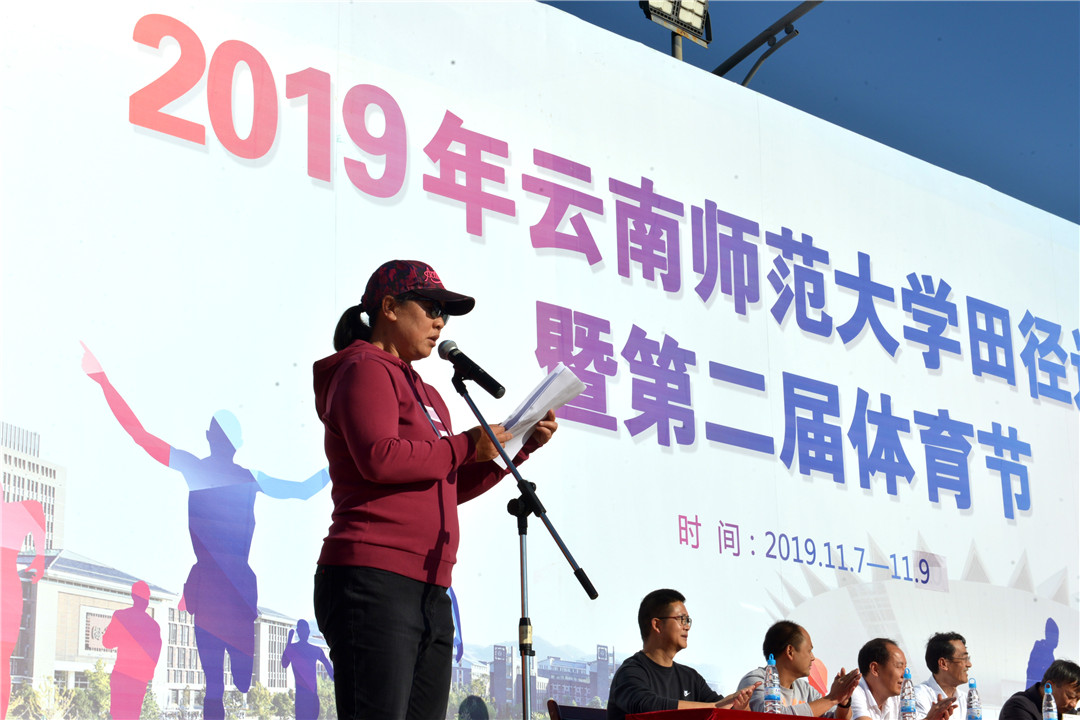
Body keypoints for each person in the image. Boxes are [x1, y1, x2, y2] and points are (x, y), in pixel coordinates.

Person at [311, 259, 558, 720]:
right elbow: (380, 457)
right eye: (431, 308)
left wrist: (519, 449)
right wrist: (465, 445)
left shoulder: (429, 393)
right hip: (374, 576)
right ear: (389, 307)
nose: (440, 321)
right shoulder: (364, 367)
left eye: (445, 313)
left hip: (430, 585)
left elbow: (445, 484)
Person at [82, 343, 330, 720]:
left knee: (221, 684)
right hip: (232, 588)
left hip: (212, 588)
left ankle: (232, 680)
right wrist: (342, 457)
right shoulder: (248, 478)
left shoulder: (196, 469)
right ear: (236, 445)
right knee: (228, 683)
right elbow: (304, 489)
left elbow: (139, 434)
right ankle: (235, 676)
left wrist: (104, 382)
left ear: (210, 437)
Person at [606, 588, 758, 720]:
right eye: (681, 619)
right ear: (657, 625)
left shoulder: (690, 677)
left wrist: (741, 707)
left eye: (688, 620)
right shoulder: (630, 672)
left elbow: (723, 709)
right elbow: (647, 706)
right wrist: (714, 707)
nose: (687, 627)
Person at [737, 620, 861, 716]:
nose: (813, 657)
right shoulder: (755, 682)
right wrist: (832, 698)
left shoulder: (805, 690)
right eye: (809, 650)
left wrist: (843, 702)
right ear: (790, 651)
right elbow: (774, 716)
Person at [1, 499, 45, 720]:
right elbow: (36, 509)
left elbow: (36, 509)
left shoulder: (13, 512)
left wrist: (41, 556)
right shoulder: (15, 512)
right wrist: (40, 555)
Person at [851, 638, 955, 720]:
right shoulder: (854, 692)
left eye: (905, 667)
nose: (905, 674)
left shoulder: (897, 698)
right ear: (875, 669)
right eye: (899, 666)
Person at [102, 580, 162, 720]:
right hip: (138, 679)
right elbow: (155, 652)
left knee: (118, 715)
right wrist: (148, 673)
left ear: (133, 596)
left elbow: (107, 642)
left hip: (121, 674)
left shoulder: (120, 616)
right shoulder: (153, 625)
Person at [281, 619, 334, 720]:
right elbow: (328, 667)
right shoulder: (313, 650)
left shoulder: (295, 649)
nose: (304, 633)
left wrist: (289, 643)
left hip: (306, 695)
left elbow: (284, 664)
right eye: (302, 631)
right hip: (306, 695)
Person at [999, 659, 1080, 720]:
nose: (1073, 705)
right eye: (1070, 696)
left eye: (1078, 699)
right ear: (1050, 686)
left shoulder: (1063, 710)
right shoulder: (1018, 707)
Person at [915, 633, 971, 720]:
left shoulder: (966, 700)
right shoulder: (918, 696)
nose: (969, 664)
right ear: (943, 663)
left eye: (968, 659)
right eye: (964, 659)